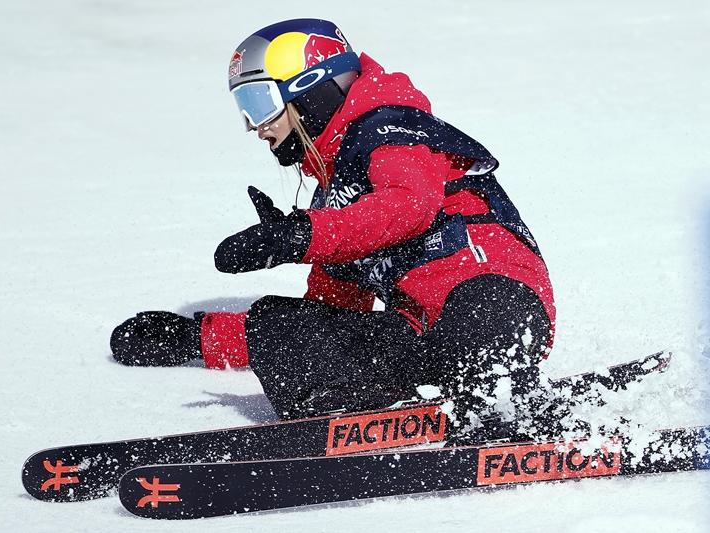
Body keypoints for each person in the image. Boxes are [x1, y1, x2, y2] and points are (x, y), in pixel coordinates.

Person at [110, 19, 557, 430]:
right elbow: (334, 312)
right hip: (420, 338)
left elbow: (408, 206)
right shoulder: (334, 196)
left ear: (310, 88)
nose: (254, 126)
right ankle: (376, 416)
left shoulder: (391, 129)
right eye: (245, 108)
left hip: (498, 303)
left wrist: (303, 235)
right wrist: (198, 338)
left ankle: (504, 406)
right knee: (283, 328)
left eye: (259, 101)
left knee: (479, 311)